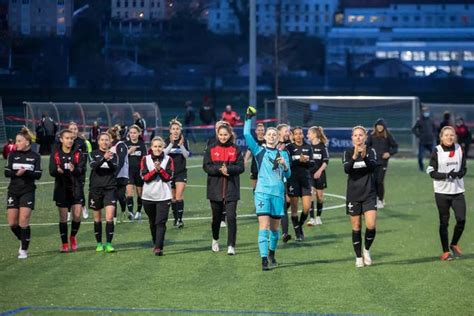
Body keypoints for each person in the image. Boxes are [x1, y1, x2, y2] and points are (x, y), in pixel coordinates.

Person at [244, 106, 291, 270]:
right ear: (264, 137)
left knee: (275, 230)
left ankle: (271, 253)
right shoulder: (258, 150)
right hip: (262, 193)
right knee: (263, 226)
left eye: (274, 135)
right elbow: (246, 134)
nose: (272, 136)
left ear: (278, 138)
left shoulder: (283, 154)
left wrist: (285, 166)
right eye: (269, 134)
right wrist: (248, 118)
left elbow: (288, 174)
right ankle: (264, 259)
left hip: (278, 194)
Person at [203, 123, 244, 255]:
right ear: (217, 134)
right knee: (216, 218)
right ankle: (215, 239)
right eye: (220, 134)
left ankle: (231, 245)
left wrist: (229, 169)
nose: (223, 137)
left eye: (225, 134)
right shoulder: (211, 148)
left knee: (231, 217)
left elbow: (241, 167)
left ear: (230, 134)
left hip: (232, 188)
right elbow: (206, 166)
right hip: (214, 188)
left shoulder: (236, 149)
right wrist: (220, 170)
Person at [426, 126, 467, 261]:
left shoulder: (459, 149)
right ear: (441, 137)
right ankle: (445, 251)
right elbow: (431, 172)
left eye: (452, 135)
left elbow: (463, 168)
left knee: (461, 219)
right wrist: (447, 175)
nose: (449, 137)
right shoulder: (437, 151)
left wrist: (460, 173)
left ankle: (454, 244)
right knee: (444, 222)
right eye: (446, 135)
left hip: (458, 191)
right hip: (442, 192)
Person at [343, 126, 378, 268]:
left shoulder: (371, 151)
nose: (358, 138)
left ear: (365, 137)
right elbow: (347, 169)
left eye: (361, 135)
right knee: (356, 226)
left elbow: (373, 168)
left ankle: (366, 250)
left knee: (371, 224)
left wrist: (364, 157)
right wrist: (354, 156)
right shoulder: (347, 152)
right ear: (352, 138)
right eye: (355, 135)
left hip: (369, 192)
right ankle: (358, 257)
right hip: (353, 194)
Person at [5, 127, 42, 259]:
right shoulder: (12, 155)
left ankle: (24, 250)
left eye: (19, 141)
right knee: (12, 224)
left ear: (27, 142)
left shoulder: (35, 156)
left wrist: (26, 172)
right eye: (16, 141)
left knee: (23, 221)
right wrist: (16, 173)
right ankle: (23, 239)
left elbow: (38, 175)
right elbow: (6, 172)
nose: (16, 144)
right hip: (13, 191)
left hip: (28, 191)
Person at [50, 129, 86, 252]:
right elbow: (51, 171)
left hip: (76, 188)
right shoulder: (56, 153)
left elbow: (81, 170)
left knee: (77, 215)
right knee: (63, 218)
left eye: (71, 138)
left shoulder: (78, 153)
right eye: (67, 138)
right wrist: (57, 171)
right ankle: (64, 243)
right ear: (61, 139)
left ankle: (72, 237)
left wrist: (74, 170)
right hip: (61, 188)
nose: (70, 140)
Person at [141, 136, 174, 256]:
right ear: (151, 147)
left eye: (160, 146)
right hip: (148, 197)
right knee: (152, 222)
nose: (157, 148)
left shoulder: (168, 159)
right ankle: (156, 242)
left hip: (164, 196)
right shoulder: (145, 159)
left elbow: (168, 177)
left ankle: (158, 247)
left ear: (163, 147)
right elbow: (145, 178)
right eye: (155, 146)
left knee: (160, 222)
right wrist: (155, 170)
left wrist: (160, 170)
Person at [89, 132, 118, 253]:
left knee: (110, 217)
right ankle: (99, 243)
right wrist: (103, 158)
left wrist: (109, 159)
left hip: (110, 188)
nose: (104, 142)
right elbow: (93, 166)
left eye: (107, 140)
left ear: (110, 142)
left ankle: (109, 243)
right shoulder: (92, 154)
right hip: (95, 189)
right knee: (97, 218)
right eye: (102, 140)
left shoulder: (114, 155)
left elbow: (114, 168)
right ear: (98, 141)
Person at [286, 127, 315, 241]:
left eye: (300, 134)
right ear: (292, 136)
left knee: (307, 208)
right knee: (294, 208)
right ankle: (298, 232)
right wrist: (298, 161)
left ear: (303, 135)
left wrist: (306, 161)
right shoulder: (289, 148)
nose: (298, 136)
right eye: (296, 134)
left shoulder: (308, 147)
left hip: (305, 180)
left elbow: (312, 163)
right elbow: (287, 163)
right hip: (293, 180)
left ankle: (299, 225)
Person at [366, 119, 398, 208]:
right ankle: (375, 198)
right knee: (374, 181)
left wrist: (389, 153)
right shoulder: (371, 136)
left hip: (383, 163)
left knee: (380, 181)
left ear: (384, 127)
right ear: (375, 126)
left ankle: (380, 199)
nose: (379, 127)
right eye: (378, 125)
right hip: (373, 163)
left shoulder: (388, 136)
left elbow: (395, 147)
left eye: (381, 125)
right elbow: (366, 146)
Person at [164, 119, 190, 228]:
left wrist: (181, 145)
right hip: (169, 173)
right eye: (173, 129)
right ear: (170, 130)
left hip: (181, 172)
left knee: (179, 196)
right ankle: (175, 219)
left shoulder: (184, 140)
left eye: (177, 129)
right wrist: (171, 143)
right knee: (173, 198)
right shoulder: (166, 140)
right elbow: (164, 153)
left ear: (180, 130)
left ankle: (180, 220)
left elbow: (186, 155)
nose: (175, 131)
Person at [307, 126, 329, 226]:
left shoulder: (322, 146)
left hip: (320, 175)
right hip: (310, 175)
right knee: (311, 195)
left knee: (319, 197)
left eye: (309, 133)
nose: (307, 135)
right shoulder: (308, 147)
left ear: (315, 135)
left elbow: (325, 161)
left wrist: (319, 171)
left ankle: (318, 216)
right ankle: (311, 218)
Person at [68, 122, 89, 220]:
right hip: (67, 171)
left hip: (80, 171)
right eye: (71, 129)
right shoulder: (64, 141)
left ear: (77, 130)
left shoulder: (82, 142)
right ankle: (68, 212)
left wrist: (79, 169)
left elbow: (84, 158)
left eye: (75, 129)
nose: (73, 131)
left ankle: (84, 207)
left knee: (79, 190)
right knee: (68, 190)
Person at [125, 125, 147, 220]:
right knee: (129, 193)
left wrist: (144, 171)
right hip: (128, 171)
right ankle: (130, 212)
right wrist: (129, 151)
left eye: (134, 133)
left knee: (140, 193)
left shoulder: (142, 145)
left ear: (138, 133)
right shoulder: (125, 144)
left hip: (139, 172)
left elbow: (145, 159)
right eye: (131, 133)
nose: (132, 135)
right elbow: (121, 157)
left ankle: (138, 211)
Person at [109, 125, 129, 223]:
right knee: (113, 197)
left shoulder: (121, 145)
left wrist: (115, 174)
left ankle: (124, 210)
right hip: (112, 175)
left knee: (121, 196)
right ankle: (114, 218)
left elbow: (121, 162)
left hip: (121, 175)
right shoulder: (109, 147)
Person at [276, 123, 292, 242]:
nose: (288, 133)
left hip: (283, 181)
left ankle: (285, 233)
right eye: (286, 131)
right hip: (271, 182)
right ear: (279, 132)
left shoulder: (287, 149)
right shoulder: (271, 145)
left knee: (284, 207)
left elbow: (288, 168)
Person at [412, 106, 436, 171]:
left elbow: (435, 129)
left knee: (435, 156)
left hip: (430, 142)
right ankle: (421, 168)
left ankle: (434, 168)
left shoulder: (431, 120)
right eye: (424, 111)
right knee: (420, 157)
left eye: (426, 111)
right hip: (422, 142)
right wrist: (419, 136)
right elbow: (413, 129)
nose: (426, 112)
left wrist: (433, 135)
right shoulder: (419, 121)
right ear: (422, 112)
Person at [244, 123, 265, 191]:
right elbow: (249, 150)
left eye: (262, 130)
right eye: (259, 130)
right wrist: (245, 160)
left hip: (265, 167)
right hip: (255, 166)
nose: (260, 132)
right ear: (256, 131)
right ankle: (257, 201)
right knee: (255, 188)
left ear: (264, 131)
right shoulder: (253, 141)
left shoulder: (267, 141)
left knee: (264, 187)